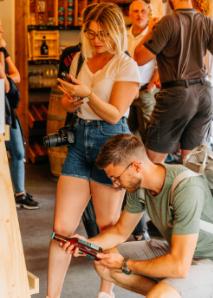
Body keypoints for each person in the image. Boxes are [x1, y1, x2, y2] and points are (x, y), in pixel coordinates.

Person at [47, 3, 140, 298]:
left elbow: (115, 114)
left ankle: (105, 292)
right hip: (80, 140)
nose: (96, 39)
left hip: (111, 144)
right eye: (91, 33)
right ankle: (52, 295)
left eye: (102, 34)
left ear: (115, 32)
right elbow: (69, 102)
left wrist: (87, 95)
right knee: (62, 227)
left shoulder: (126, 65)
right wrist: (71, 102)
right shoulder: (80, 59)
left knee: (107, 225)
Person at [63, 134, 213, 297]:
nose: (115, 185)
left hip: (207, 260)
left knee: (161, 294)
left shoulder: (185, 188)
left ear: (136, 166)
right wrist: (88, 244)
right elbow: (120, 231)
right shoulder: (139, 186)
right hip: (177, 251)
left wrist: (126, 264)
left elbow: (179, 265)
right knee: (105, 263)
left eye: (116, 178)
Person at [134, 0, 213, 164]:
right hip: (204, 94)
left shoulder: (167, 22)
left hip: (177, 94)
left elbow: (139, 58)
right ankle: (191, 189)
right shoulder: (206, 22)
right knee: (192, 163)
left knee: (153, 161)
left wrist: (151, 30)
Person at [0, 20, 39, 209]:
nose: (1, 30)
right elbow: (5, 82)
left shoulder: (3, 52)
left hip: (6, 110)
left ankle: (20, 194)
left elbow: (15, 76)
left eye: (1, 26)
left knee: (18, 151)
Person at [127, 0, 159, 141]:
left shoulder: (154, 35)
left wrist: (151, 85)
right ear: (129, 14)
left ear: (148, 14)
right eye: (135, 11)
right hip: (126, 92)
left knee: (150, 130)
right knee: (128, 131)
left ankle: (152, 161)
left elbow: (162, 62)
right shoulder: (123, 36)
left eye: (143, 11)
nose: (139, 15)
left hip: (145, 90)